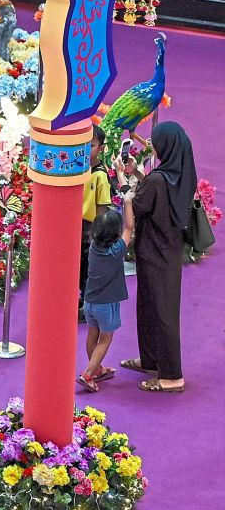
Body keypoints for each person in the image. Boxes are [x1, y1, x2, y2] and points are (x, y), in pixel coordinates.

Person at [122, 121, 196, 393]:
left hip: (153, 252)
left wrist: (124, 181)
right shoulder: (181, 175)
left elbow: (138, 205)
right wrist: (141, 177)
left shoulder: (157, 180)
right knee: (152, 306)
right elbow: (159, 197)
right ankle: (152, 359)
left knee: (161, 312)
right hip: (168, 252)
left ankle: (172, 375)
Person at [78, 197, 134, 392]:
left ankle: (97, 370)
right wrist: (128, 201)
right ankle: (87, 374)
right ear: (114, 234)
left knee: (92, 334)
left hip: (90, 300)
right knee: (105, 338)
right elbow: (130, 227)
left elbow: (126, 228)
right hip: (106, 303)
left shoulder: (93, 246)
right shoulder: (116, 251)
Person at [80, 125, 112, 318]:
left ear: (100, 148)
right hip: (73, 226)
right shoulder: (78, 169)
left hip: (89, 229)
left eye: (91, 145)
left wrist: (96, 235)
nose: (86, 149)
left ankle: (86, 304)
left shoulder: (100, 175)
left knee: (87, 268)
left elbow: (102, 208)